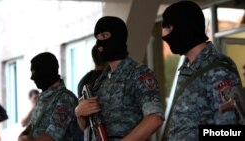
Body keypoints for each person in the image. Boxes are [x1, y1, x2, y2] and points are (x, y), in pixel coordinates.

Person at [161, 1, 242, 140]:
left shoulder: (218, 70)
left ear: (186, 27)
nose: (164, 34)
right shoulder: (187, 68)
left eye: (169, 27)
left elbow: (228, 131)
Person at [75, 16, 164, 141]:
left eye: (105, 36)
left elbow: (155, 118)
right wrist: (79, 113)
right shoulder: (100, 81)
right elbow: (86, 128)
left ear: (118, 37)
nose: (99, 43)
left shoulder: (138, 74)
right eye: (97, 38)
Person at [18, 52, 83, 141]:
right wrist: (22, 135)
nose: (32, 77)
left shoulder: (65, 99)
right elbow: (34, 122)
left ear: (44, 71)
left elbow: (53, 136)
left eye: (34, 72)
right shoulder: (43, 96)